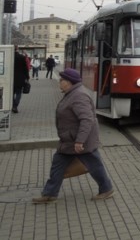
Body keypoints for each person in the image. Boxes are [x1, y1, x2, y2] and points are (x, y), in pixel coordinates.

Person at [32, 68, 114, 204]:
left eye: (62, 80)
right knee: (58, 164)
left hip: (79, 142)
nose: (60, 82)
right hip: (69, 140)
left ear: (70, 82)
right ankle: (49, 194)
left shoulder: (79, 96)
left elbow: (87, 120)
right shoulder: (72, 93)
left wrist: (80, 141)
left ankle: (106, 189)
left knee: (95, 165)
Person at [12, 47, 30, 113]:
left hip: (11, 79)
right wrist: (27, 77)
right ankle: (15, 106)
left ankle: (13, 104)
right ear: (18, 50)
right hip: (20, 79)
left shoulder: (10, 56)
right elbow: (25, 69)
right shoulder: (22, 57)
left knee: (11, 94)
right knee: (18, 93)